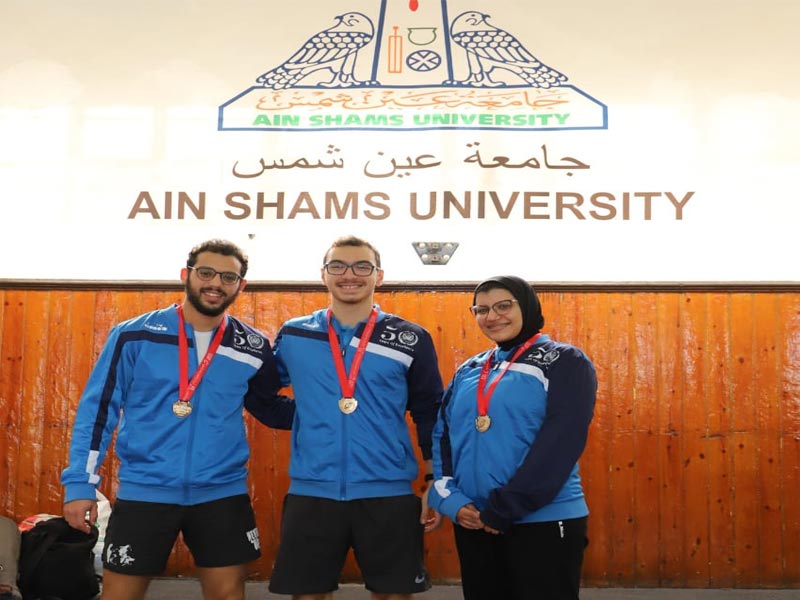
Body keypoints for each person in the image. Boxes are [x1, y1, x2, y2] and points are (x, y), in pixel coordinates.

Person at [61, 239, 291, 600]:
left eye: (228, 276)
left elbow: (269, 407)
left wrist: (339, 417)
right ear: (187, 275)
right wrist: (79, 484)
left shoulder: (252, 346)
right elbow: (98, 411)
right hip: (145, 489)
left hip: (222, 492)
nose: (215, 283)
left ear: (240, 286)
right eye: (206, 272)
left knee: (229, 595)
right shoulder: (133, 335)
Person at [246, 235, 444, 600]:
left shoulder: (410, 338)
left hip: (389, 492)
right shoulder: (294, 333)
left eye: (362, 266)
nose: (349, 274)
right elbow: (263, 397)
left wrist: (435, 477)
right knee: (307, 595)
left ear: (378, 276)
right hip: (312, 491)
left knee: (393, 595)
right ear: (324, 275)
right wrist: (312, 415)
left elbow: (429, 411)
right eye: (338, 266)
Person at [428, 275, 597, 600]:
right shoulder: (468, 369)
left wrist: (505, 508)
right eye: (481, 309)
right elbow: (443, 438)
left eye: (504, 306)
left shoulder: (564, 361)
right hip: (474, 520)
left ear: (528, 306)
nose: (492, 317)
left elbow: (560, 444)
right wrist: (450, 500)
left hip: (543, 522)